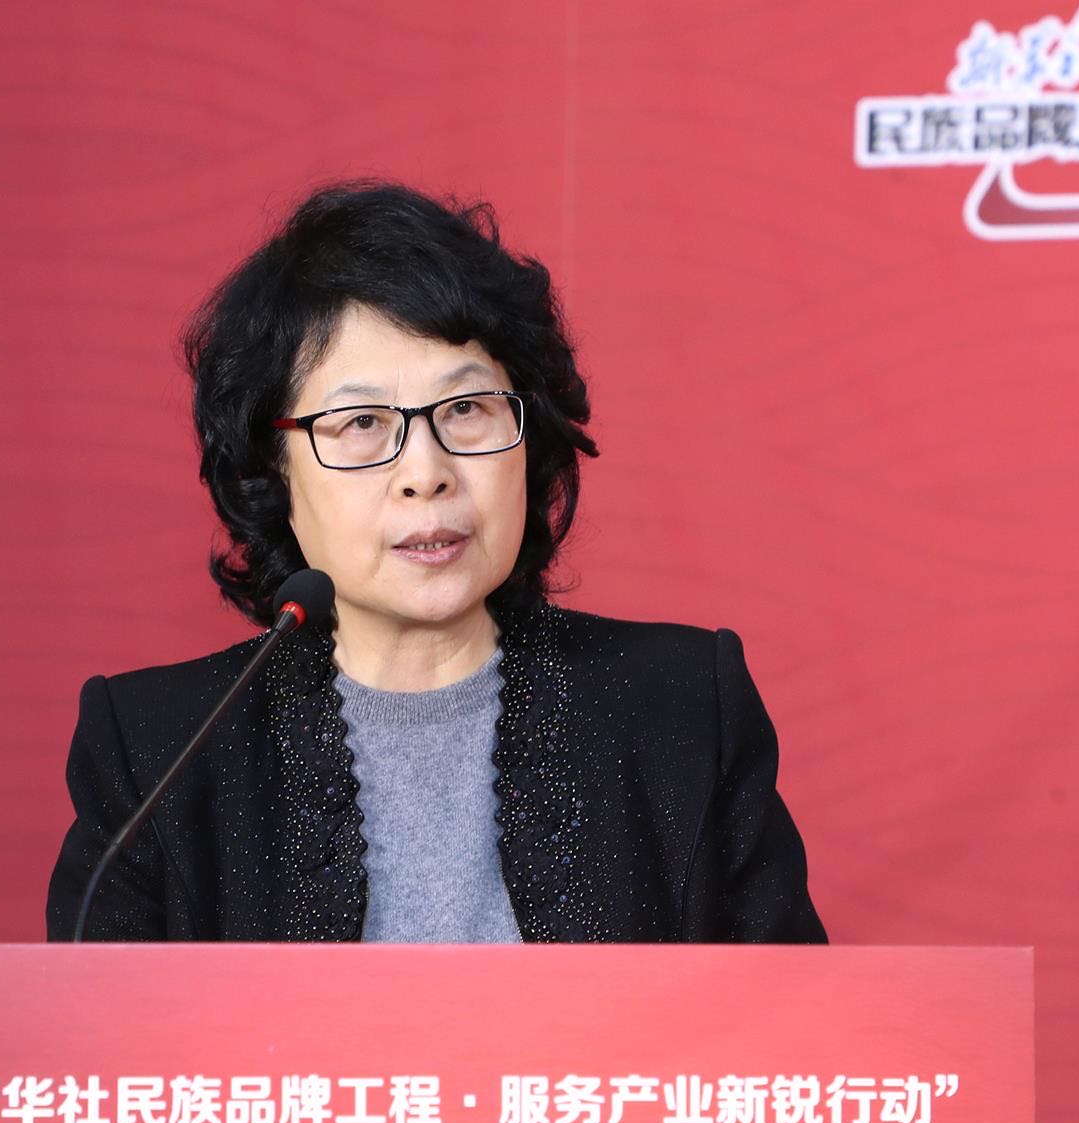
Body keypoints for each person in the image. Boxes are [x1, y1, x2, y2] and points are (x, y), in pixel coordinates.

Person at [46, 181, 826, 945]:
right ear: (272, 472)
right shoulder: (158, 751)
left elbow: (787, 1023)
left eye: (466, 409)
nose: (426, 472)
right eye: (361, 423)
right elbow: (99, 1028)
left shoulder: (682, 709)